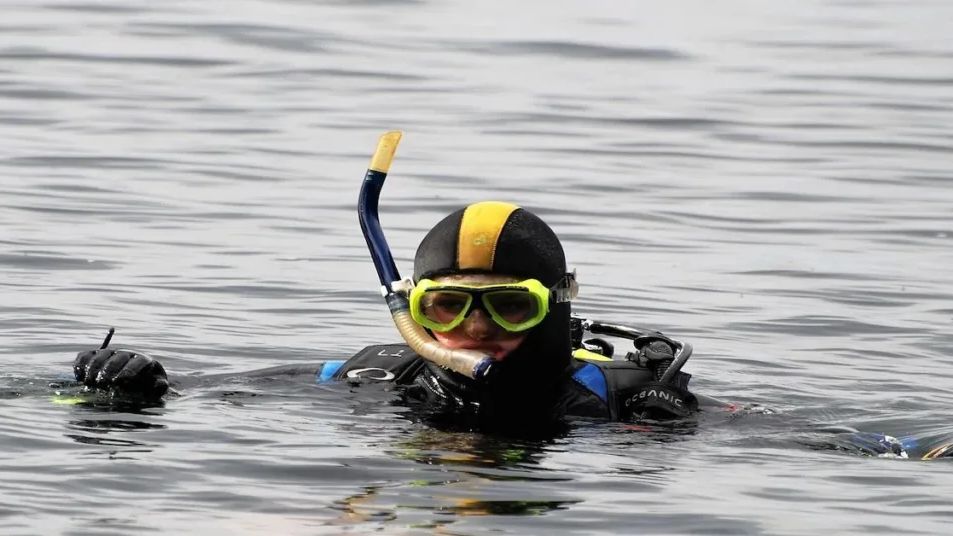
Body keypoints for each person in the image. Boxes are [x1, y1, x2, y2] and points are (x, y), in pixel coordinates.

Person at [73, 201, 700, 433]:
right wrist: (141, 388)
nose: (476, 329)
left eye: (511, 307)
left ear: (555, 306)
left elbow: (785, 435)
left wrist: (681, 430)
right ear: (411, 308)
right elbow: (209, 393)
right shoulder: (369, 374)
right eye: (448, 305)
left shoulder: (623, 397)